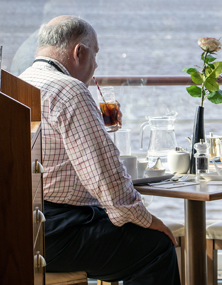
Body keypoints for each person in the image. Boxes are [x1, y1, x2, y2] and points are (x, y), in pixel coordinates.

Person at [19, 15, 180, 285]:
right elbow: (106, 178)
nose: (96, 65)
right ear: (79, 52)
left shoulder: (19, 84)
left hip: (25, 228)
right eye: (95, 55)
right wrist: (146, 218)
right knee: (156, 247)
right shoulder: (70, 91)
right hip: (58, 233)